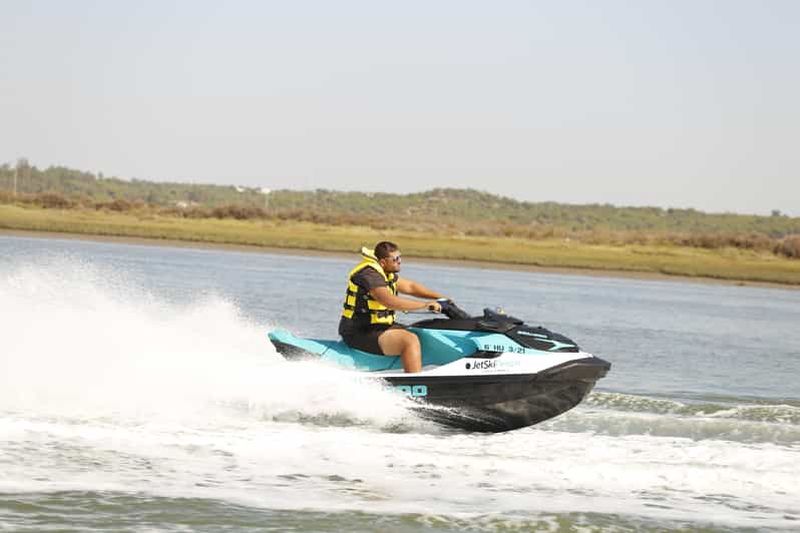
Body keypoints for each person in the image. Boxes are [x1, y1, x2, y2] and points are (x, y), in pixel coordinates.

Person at [338, 241, 444, 373]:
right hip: (359, 331)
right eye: (395, 259)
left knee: (423, 332)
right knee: (409, 340)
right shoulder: (369, 275)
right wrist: (424, 305)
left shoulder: (386, 273)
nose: (399, 261)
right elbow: (388, 301)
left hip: (378, 327)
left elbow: (410, 287)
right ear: (383, 262)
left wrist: (442, 298)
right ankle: (414, 384)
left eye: (400, 257)